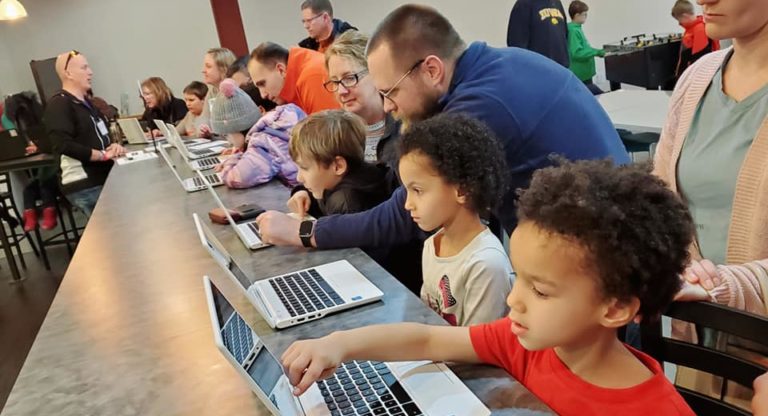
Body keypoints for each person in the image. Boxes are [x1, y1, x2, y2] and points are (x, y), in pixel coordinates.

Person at [281, 159, 696, 416]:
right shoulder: (528, 343)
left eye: (541, 291)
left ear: (615, 308)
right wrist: (339, 344)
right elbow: (428, 340)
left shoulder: (657, 410)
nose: (514, 299)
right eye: (522, 279)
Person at [255, 5, 628, 253]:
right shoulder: (500, 65)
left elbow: (408, 214)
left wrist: (306, 233)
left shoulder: (477, 109)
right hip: (585, 243)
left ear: (431, 69)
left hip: (594, 260)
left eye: (391, 91)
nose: (387, 105)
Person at [659, 0, 768, 316]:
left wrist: (725, 284)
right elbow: (659, 203)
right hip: (697, 342)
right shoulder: (696, 79)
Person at [399, 114, 513, 325]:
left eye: (417, 190)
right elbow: (428, 321)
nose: (408, 204)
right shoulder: (432, 245)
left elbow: (476, 351)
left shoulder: (486, 265)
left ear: (461, 189)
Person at [44, 50, 126, 217]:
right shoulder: (59, 104)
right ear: (68, 73)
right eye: (84, 68)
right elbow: (63, 144)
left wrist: (113, 146)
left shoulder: (87, 103)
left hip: (103, 178)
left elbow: (99, 135)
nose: (90, 72)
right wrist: (101, 155)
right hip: (86, 184)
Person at [323, 30, 401, 190]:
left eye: (349, 78)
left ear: (376, 73)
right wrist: (303, 193)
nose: (341, 91)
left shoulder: (403, 129)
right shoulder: (337, 133)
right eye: (335, 82)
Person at [287, 110, 389, 217]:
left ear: (338, 166)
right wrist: (305, 194)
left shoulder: (346, 203)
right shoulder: (361, 177)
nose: (299, 178)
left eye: (304, 168)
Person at [212, 79, 306, 189]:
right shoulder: (282, 118)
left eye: (227, 135)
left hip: (305, 194)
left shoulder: (262, 143)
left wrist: (230, 162)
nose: (229, 141)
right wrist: (241, 155)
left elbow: (235, 178)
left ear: (238, 128)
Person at [247, 42, 340, 115]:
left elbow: (332, 135)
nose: (263, 95)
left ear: (281, 70)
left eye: (262, 84)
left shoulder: (311, 77)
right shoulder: (303, 69)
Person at [507, 0, 569, 67]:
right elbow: (516, 45)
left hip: (560, 68)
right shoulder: (523, 4)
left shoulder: (557, 3)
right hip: (537, 69)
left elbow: (564, 35)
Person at [671, 0, 720, 79]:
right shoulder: (692, 29)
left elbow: (700, 59)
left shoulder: (699, 30)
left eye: (679, 20)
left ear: (685, 16)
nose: (679, 23)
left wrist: (688, 78)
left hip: (695, 77)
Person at [567, 1, 605, 95]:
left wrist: (595, 51)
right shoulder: (573, 31)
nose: (586, 17)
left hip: (585, 73)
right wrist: (596, 52)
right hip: (581, 75)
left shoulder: (577, 28)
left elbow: (584, 48)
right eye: (585, 14)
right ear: (577, 15)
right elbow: (576, 53)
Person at [200, 48, 237, 137]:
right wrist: (203, 130)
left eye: (208, 66)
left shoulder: (237, 91)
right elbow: (204, 120)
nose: (203, 70)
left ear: (223, 69)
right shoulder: (212, 91)